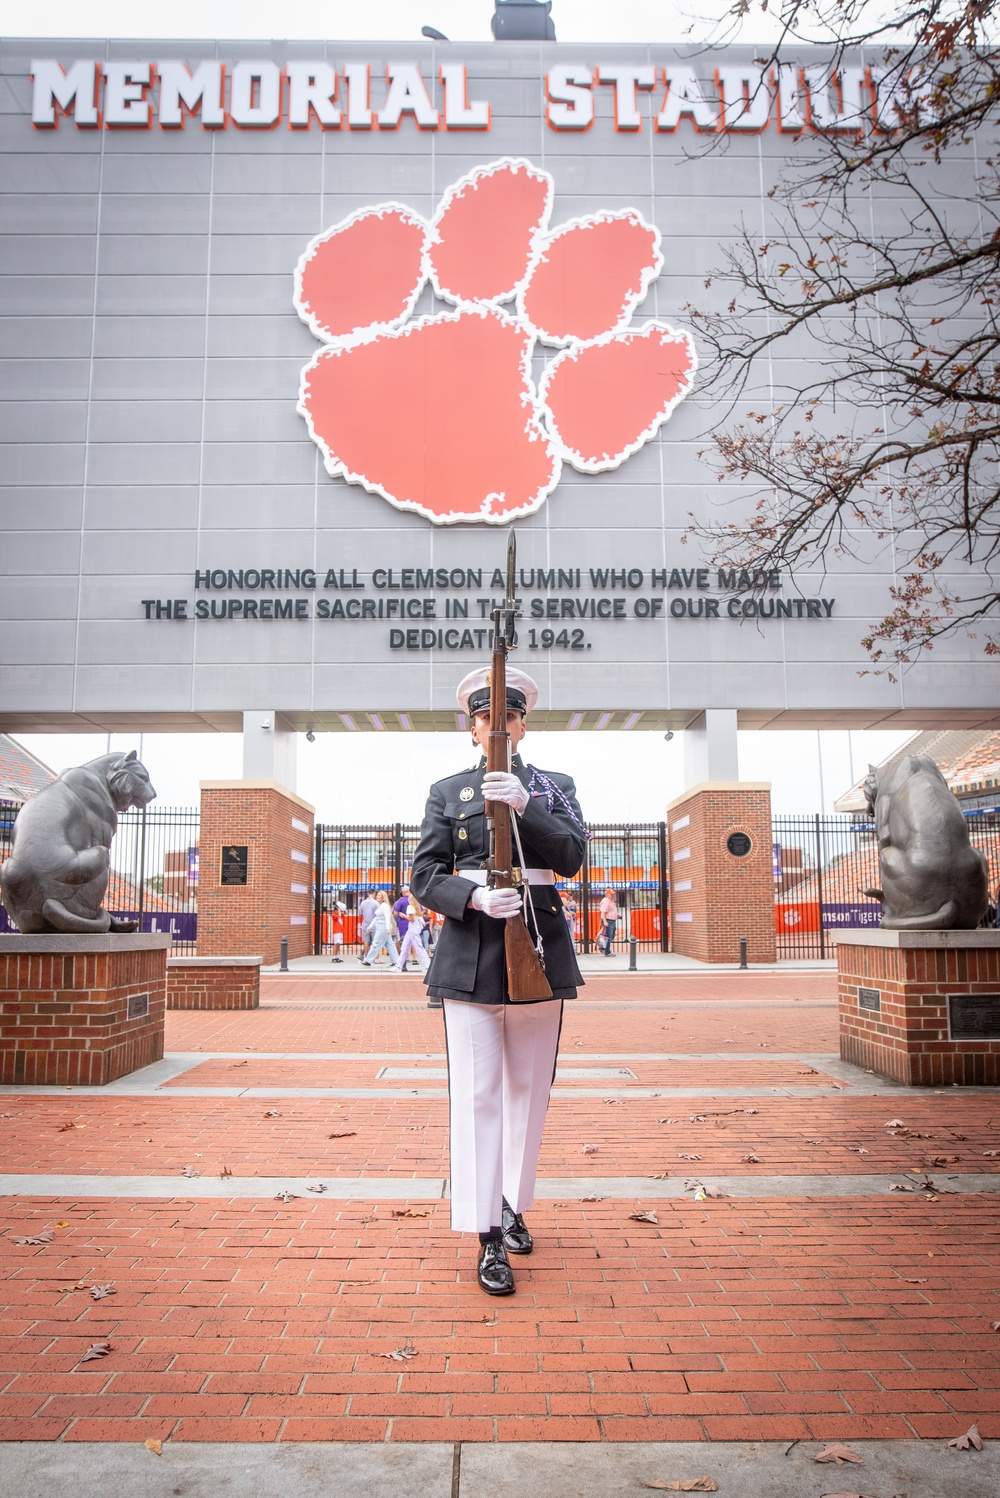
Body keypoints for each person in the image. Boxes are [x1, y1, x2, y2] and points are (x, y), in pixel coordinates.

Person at [410, 666, 587, 1297]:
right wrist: (475, 897)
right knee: (478, 1096)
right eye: (486, 716)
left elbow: (571, 856)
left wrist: (526, 805)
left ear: (521, 722)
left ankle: (512, 1202)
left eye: (508, 715)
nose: (497, 725)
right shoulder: (447, 790)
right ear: (472, 724)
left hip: (538, 946)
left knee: (527, 1094)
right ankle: (485, 1232)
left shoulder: (552, 785)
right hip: (472, 950)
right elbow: (424, 874)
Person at [363, 890, 399, 967]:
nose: (377, 896)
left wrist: (387, 928)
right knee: (390, 944)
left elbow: (387, 916)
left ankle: (368, 960)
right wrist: (370, 926)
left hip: (383, 927)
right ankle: (396, 961)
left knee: (376, 943)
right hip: (382, 926)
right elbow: (377, 917)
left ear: (383, 897)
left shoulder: (384, 906)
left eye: (379, 895)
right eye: (377, 895)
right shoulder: (381, 905)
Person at [396, 895, 431, 973]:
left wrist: (404, 916)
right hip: (415, 927)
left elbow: (411, 919)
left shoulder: (410, 907)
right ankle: (399, 965)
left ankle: (428, 965)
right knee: (405, 946)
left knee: (418, 947)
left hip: (413, 928)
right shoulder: (417, 907)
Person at [357, 888, 378, 962]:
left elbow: (360, 914)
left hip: (365, 924)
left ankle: (366, 957)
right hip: (374, 924)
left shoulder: (363, 903)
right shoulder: (376, 903)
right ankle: (376, 958)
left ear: (368, 894)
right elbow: (378, 914)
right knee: (375, 941)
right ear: (374, 894)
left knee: (366, 941)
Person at [598, 887, 618, 956]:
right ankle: (606, 951)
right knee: (608, 936)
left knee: (610, 935)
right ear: (607, 894)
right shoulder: (606, 901)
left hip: (611, 920)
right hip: (608, 920)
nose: (613, 895)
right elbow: (603, 912)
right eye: (611, 894)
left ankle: (603, 947)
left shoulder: (611, 901)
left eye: (613, 894)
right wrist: (605, 921)